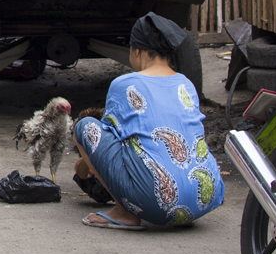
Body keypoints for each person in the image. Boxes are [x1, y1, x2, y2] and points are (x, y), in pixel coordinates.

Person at [74, 13, 225, 230]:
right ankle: (184, 208)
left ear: (137, 51)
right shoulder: (186, 84)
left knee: (85, 127)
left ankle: (124, 212)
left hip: (157, 204)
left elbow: (106, 141)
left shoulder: (125, 84)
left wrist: (82, 165)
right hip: (206, 198)